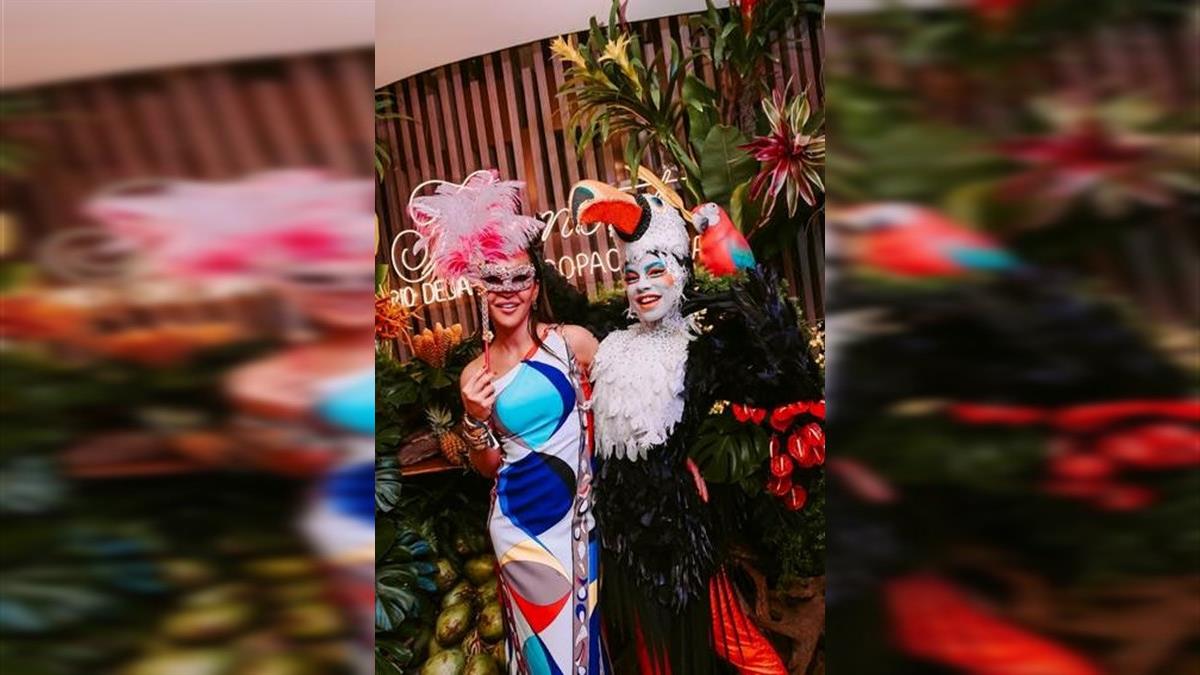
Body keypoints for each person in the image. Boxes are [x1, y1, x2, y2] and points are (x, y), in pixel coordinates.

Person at [572, 180, 823, 675]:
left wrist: (749, 280)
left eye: (655, 271)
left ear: (681, 276)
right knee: (653, 655)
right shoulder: (613, 341)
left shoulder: (699, 352)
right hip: (621, 532)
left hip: (677, 534)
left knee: (733, 642)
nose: (642, 285)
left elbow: (793, 379)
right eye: (632, 275)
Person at [410, 170, 609, 675]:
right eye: (495, 279)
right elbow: (488, 466)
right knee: (542, 656)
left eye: (519, 277)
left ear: (535, 286)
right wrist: (475, 419)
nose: (508, 290)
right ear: (481, 288)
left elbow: (625, 408)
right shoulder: (474, 373)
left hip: (574, 521)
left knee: (581, 645)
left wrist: (677, 457)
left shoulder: (572, 343)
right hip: (516, 528)